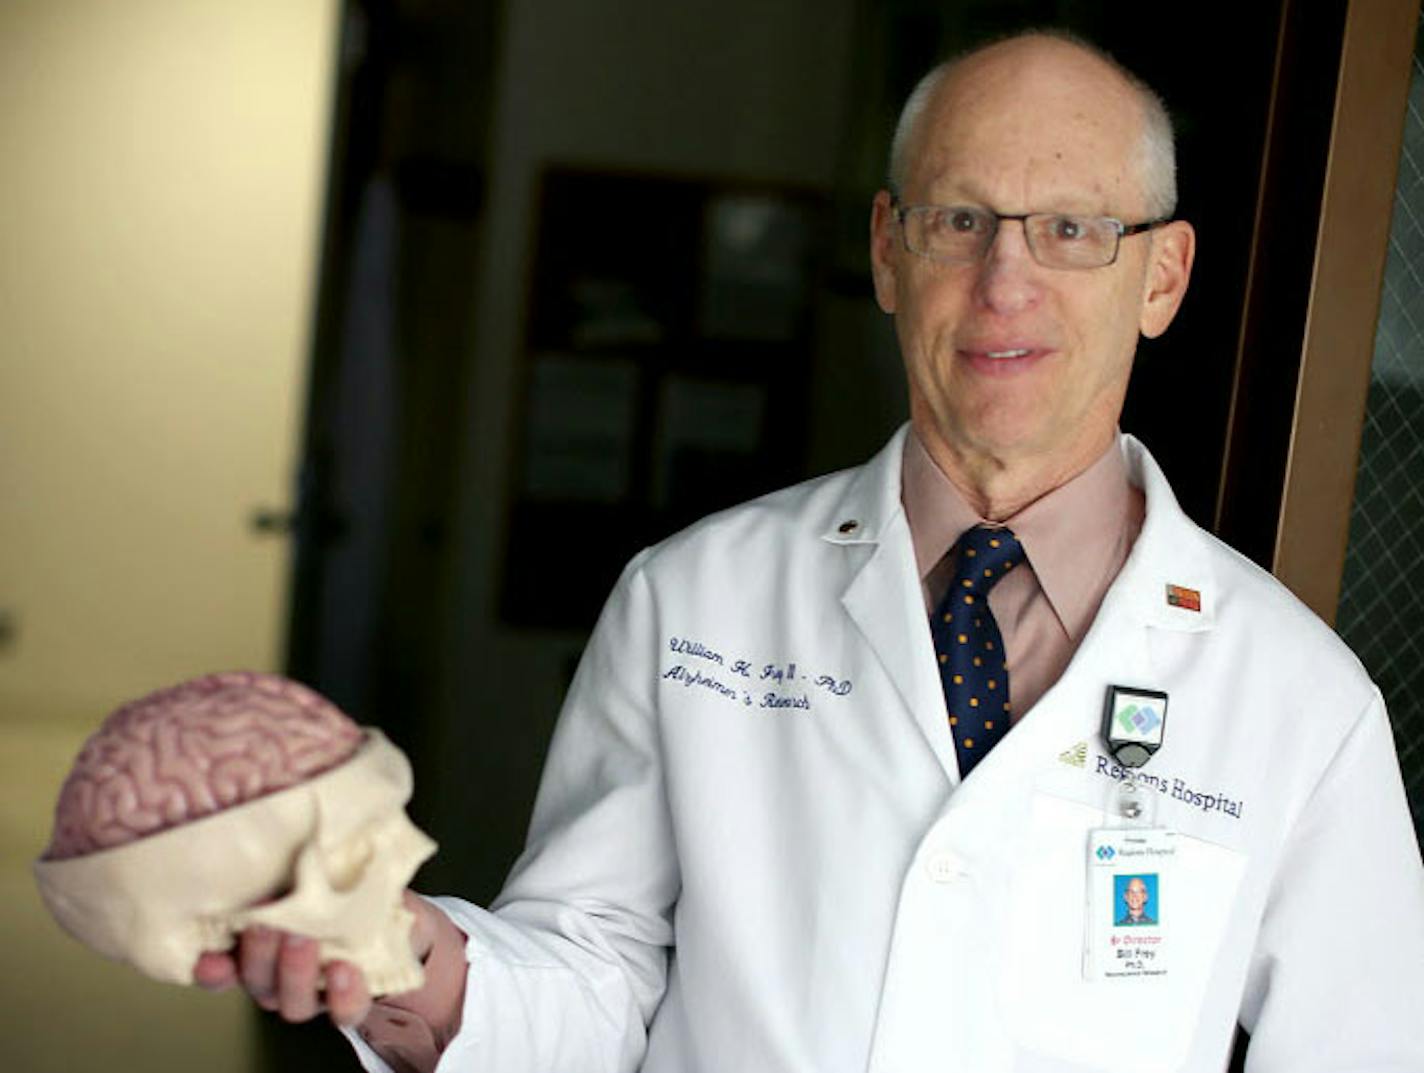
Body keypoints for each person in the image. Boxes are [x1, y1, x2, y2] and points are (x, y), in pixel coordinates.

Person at [196, 30, 1424, 1072]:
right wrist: (393, 955)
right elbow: (589, 974)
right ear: (888, 250)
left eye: (1070, 229)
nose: (1006, 281)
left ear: (1161, 275)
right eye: (959, 220)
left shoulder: (1299, 702)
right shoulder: (695, 597)